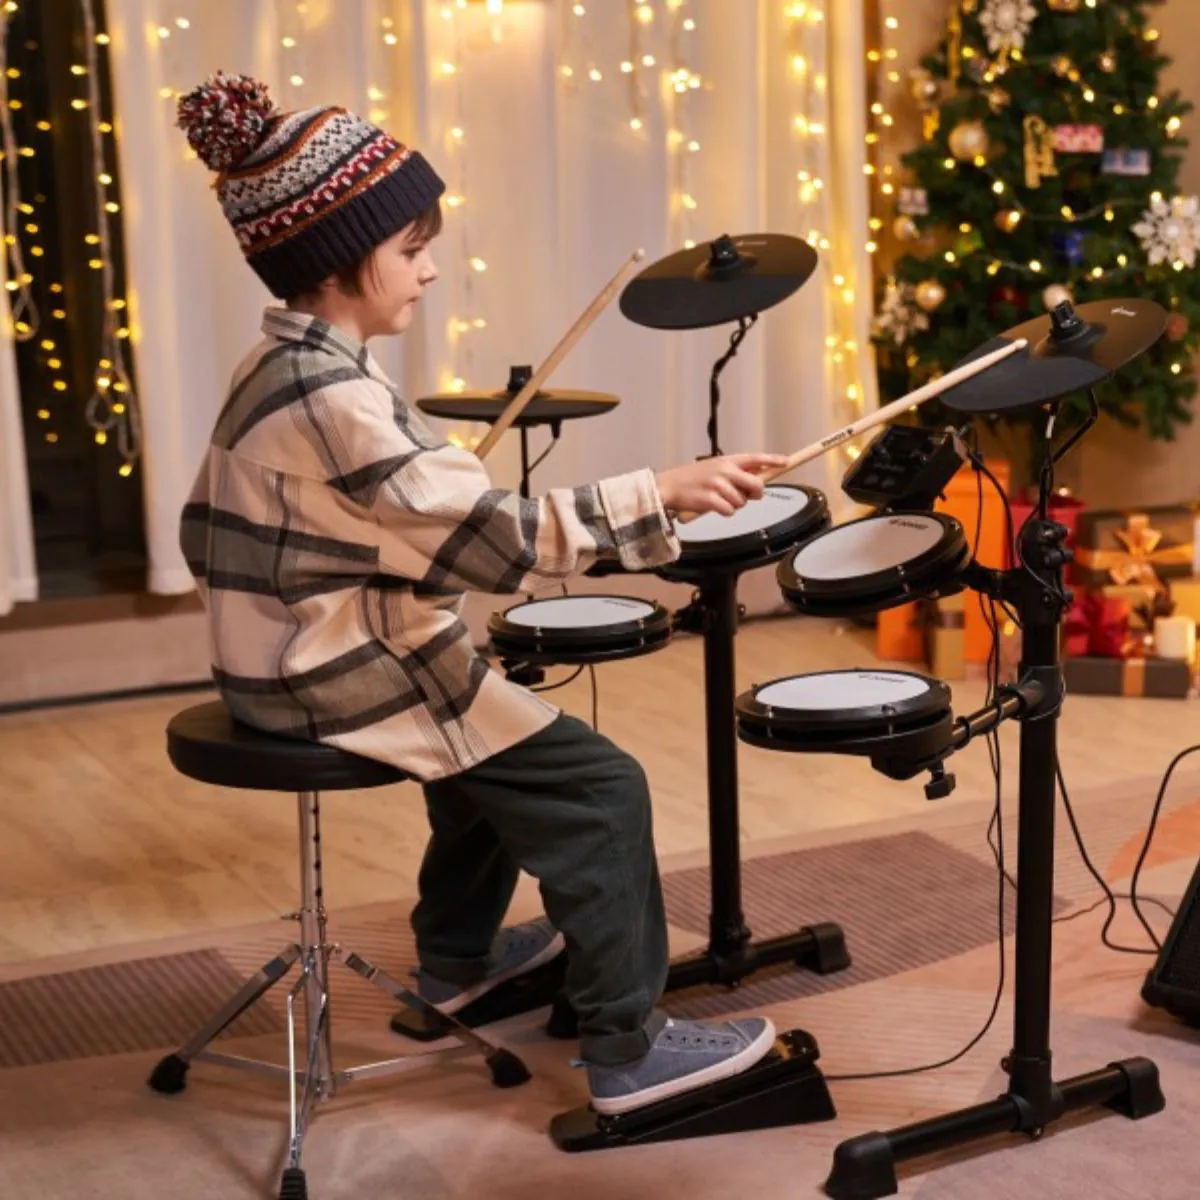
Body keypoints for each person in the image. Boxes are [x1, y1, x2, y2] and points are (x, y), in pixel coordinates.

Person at [176, 72, 782, 1117]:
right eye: (410, 248)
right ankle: (629, 1049)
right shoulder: (333, 397)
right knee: (599, 787)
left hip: (272, 651)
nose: (429, 268)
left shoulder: (279, 363)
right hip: (321, 668)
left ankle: (457, 962)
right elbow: (500, 544)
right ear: (341, 258)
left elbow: (347, 517)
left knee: (486, 735)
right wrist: (664, 491)